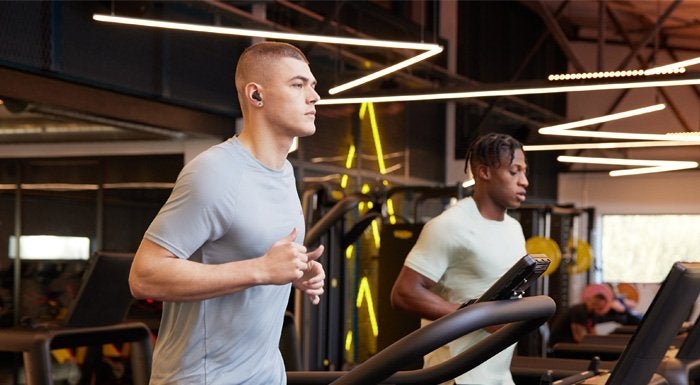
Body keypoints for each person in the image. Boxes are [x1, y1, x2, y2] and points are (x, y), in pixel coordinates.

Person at [128, 41, 326, 385]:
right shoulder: (215, 172)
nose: (314, 97)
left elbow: (250, 256)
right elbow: (144, 276)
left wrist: (295, 271)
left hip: (265, 376)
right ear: (256, 95)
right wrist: (261, 269)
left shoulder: (284, 172)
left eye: (312, 86)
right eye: (298, 85)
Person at [391, 133, 529, 385]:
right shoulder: (450, 225)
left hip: (498, 374)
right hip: (455, 376)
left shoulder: (513, 228)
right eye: (514, 172)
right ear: (484, 172)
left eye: (524, 172)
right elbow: (404, 293)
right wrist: (477, 317)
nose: (524, 182)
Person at [548, 283, 642, 348]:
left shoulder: (592, 314)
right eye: (599, 307)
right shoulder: (579, 310)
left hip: (571, 344)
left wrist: (599, 344)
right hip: (561, 345)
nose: (600, 310)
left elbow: (592, 334)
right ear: (592, 302)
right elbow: (579, 337)